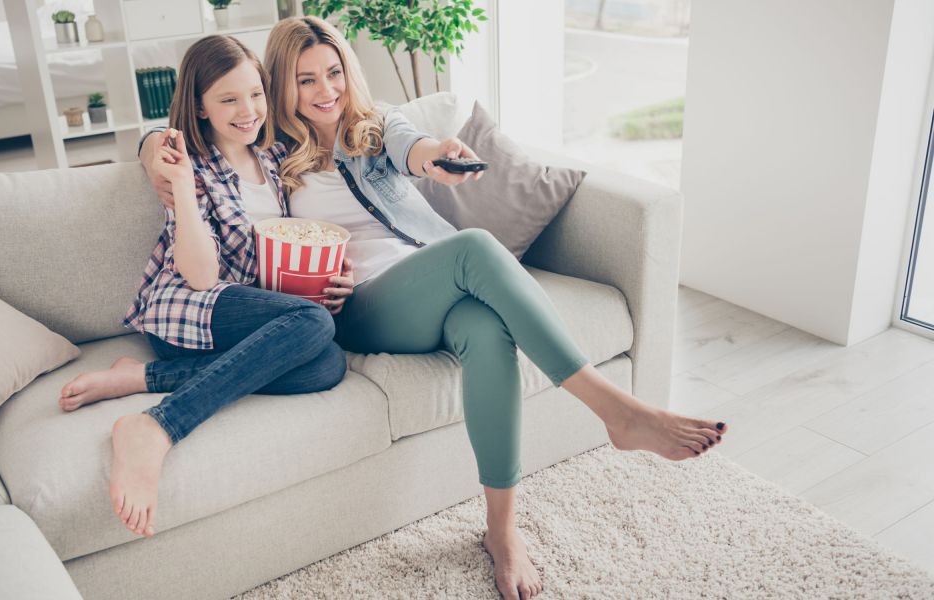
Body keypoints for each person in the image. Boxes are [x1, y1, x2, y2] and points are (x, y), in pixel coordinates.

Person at [141, 18, 729, 600]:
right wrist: (150, 151)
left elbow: (413, 149)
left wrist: (436, 157)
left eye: (334, 72)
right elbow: (185, 132)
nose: (326, 91)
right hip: (361, 307)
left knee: (486, 330)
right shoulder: (272, 149)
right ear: (281, 89)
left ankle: (502, 531)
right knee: (471, 247)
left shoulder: (375, 127)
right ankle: (616, 411)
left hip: (426, 283)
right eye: (305, 80)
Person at [59, 35, 352, 540]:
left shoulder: (277, 153)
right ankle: (156, 426)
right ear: (199, 106)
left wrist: (335, 275)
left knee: (329, 365)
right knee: (312, 323)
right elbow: (199, 276)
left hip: (244, 313)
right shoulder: (191, 166)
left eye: (256, 94)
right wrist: (180, 185)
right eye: (228, 99)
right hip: (189, 310)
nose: (249, 110)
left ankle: (146, 377)